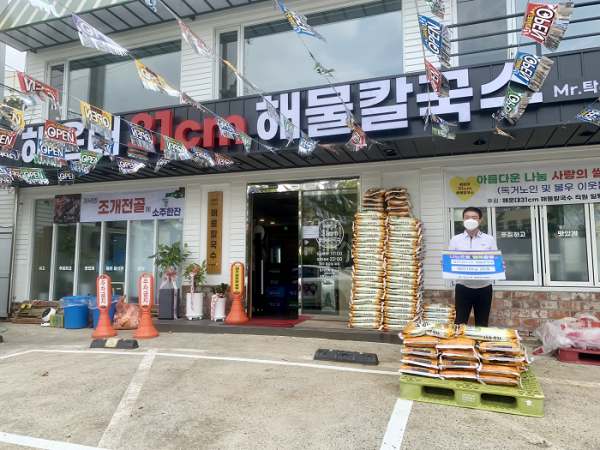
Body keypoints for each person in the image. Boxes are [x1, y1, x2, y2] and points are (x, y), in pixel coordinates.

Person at [447, 206, 501, 327]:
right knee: (460, 322)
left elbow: (495, 259)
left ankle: (480, 340)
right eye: (467, 217)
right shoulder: (455, 240)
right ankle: (459, 340)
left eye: (474, 217)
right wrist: (446, 264)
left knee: (482, 322)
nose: (470, 220)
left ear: (480, 220)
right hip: (463, 287)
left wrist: (499, 267)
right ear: (463, 220)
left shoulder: (489, 239)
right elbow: (450, 260)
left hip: (484, 287)